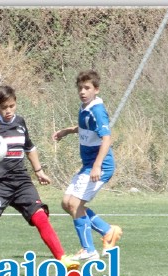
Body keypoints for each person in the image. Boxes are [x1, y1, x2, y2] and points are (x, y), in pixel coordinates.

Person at [0, 85, 79, 271]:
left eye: (11, 106)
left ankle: (61, 258)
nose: (8, 111)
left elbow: (29, 148)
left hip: (22, 181)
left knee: (41, 217)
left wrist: (39, 171)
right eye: (3, 107)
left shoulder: (20, 122)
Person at [52, 69, 122, 261]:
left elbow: (106, 139)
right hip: (89, 164)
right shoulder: (85, 107)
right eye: (80, 88)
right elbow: (85, 128)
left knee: (75, 204)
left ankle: (88, 249)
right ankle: (108, 231)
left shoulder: (97, 110)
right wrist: (67, 131)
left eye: (87, 88)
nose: (83, 91)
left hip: (100, 165)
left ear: (96, 89)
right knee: (67, 203)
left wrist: (97, 166)